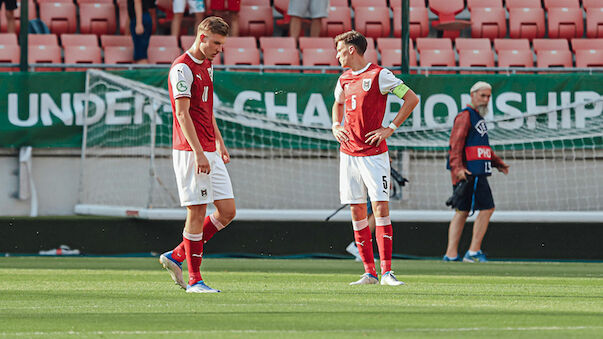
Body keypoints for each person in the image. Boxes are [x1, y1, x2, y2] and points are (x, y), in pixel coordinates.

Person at [332, 30, 419, 285]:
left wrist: (389, 128)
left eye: (339, 50)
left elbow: (411, 98)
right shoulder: (344, 79)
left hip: (373, 155)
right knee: (356, 210)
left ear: (351, 49)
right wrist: (335, 125)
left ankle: (387, 272)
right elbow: (337, 104)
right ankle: (369, 273)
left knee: (380, 208)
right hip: (348, 154)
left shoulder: (380, 75)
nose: (336, 55)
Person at [159, 16, 236, 293]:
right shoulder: (182, 68)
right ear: (201, 37)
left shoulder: (208, 64)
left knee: (227, 211)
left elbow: (206, 110)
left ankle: (177, 254)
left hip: (209, 148)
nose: (219, 49)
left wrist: (219, 142)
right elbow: (182, 113)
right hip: (191, 151)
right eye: (216, 43)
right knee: (197, 210)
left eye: (222, 44)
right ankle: (195, 280)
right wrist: (198, 152)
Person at [443, 81, 509, 263]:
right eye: (483, 96)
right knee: (487, 208)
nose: (486, 100)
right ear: (472, 95)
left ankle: (451, 254)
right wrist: (458, 169)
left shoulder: (477, 117)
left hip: (475, 171)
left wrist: (497, 163)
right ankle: (473, 252)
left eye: (488, 96)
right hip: (470, 172)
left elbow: (483, 147)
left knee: (462, 211)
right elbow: (455, 145)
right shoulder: (466, 116)